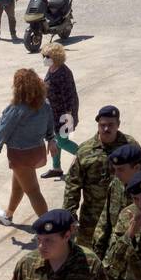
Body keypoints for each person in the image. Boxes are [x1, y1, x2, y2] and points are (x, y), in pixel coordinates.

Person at [0, 69, 57, 226]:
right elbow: (50, 124)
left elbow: (4, 128)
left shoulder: (17, 107)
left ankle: (50, 226)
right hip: (37, 151)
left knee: (33, 191)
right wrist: (51, 139)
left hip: (20, 155)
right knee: (18, 183)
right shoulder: (44, 104)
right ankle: (8, 215)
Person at [64, 106, 141, 249]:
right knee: (89, 258)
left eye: (110, 125)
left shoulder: (130, 147)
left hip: (124, 217)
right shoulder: (85, 150)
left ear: (118, 124)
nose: (106, 129)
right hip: (92, 219)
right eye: (102, 125)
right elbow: (72, 184)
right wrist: (70, 214)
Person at [2, 208, 107, 280]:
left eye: (49, 240)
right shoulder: (27, 264)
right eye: (39, 239)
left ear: (66, 236)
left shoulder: (90, 265)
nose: (41, 246)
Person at [92, 142, 141, 261]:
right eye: (115, 169)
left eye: (121, 169)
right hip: (118, 255)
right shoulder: (116, 185)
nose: (116, 174)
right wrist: (98, 252)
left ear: (136, 168)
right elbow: (105, 220)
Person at [40, 42, 79, 179]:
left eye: (47, 56)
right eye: (43, 55)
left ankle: (85, 156)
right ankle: (56, 168)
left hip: (65, 113)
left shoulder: (64, 73)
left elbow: (69, 95)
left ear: (55, 57)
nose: (44, 58)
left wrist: (68, 114)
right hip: (53, 113)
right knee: (55, 141)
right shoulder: (52, 68)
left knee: (62, 141)